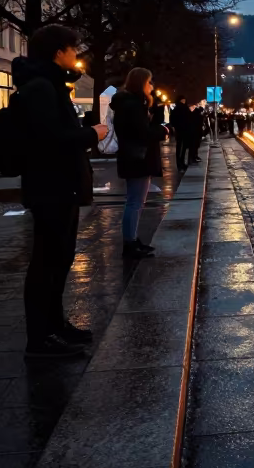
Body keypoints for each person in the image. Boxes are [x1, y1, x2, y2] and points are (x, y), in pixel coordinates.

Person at [13, 25, 108, 357]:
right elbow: (49, 141)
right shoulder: (41, 87)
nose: (75, 54)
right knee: (46, 263)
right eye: (72, 48)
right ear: (58, 51)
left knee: (60, 259)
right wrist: (91, 134)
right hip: (51, 187)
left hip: (60, 187)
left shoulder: (50, 84)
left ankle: (55, 325)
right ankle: (40, 339)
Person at [111, 68, 168, 259]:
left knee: (136, 201)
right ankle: (130, 243)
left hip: (134, 158)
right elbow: (142, 133)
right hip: (138, 159)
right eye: (149, 82)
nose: (152, 86)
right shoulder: (133, 105)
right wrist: (162, 132)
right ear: (141, 83)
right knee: (135, 202)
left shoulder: (130, 104)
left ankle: (133, 240)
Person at [170, 96, 192, 171]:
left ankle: (179, 163)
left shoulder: (175, 109)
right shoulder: (184, 108)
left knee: (179, 147)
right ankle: (181, 163)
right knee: (183, 147)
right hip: (184, 130)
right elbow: (189, 119)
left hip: (179, 130)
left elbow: (172, 119)